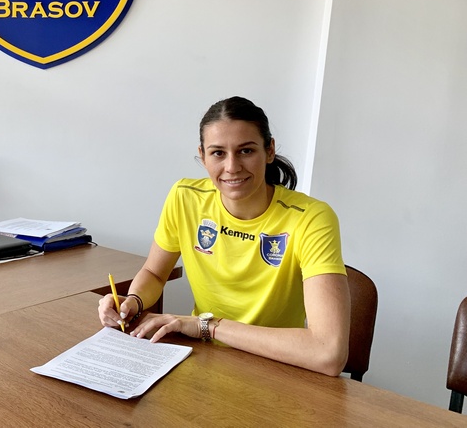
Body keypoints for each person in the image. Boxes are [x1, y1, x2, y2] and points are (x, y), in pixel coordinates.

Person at [98, 96, 350, 376]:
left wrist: (208, 326)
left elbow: (328, 353)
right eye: (218, 153)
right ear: (202, 156)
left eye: (246, 151)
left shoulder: (311, 217)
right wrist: (132, 302)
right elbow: (155, 273)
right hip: (201, 359)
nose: (232, 166)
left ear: (269, 151)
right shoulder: (184, 197)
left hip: (275, 368)